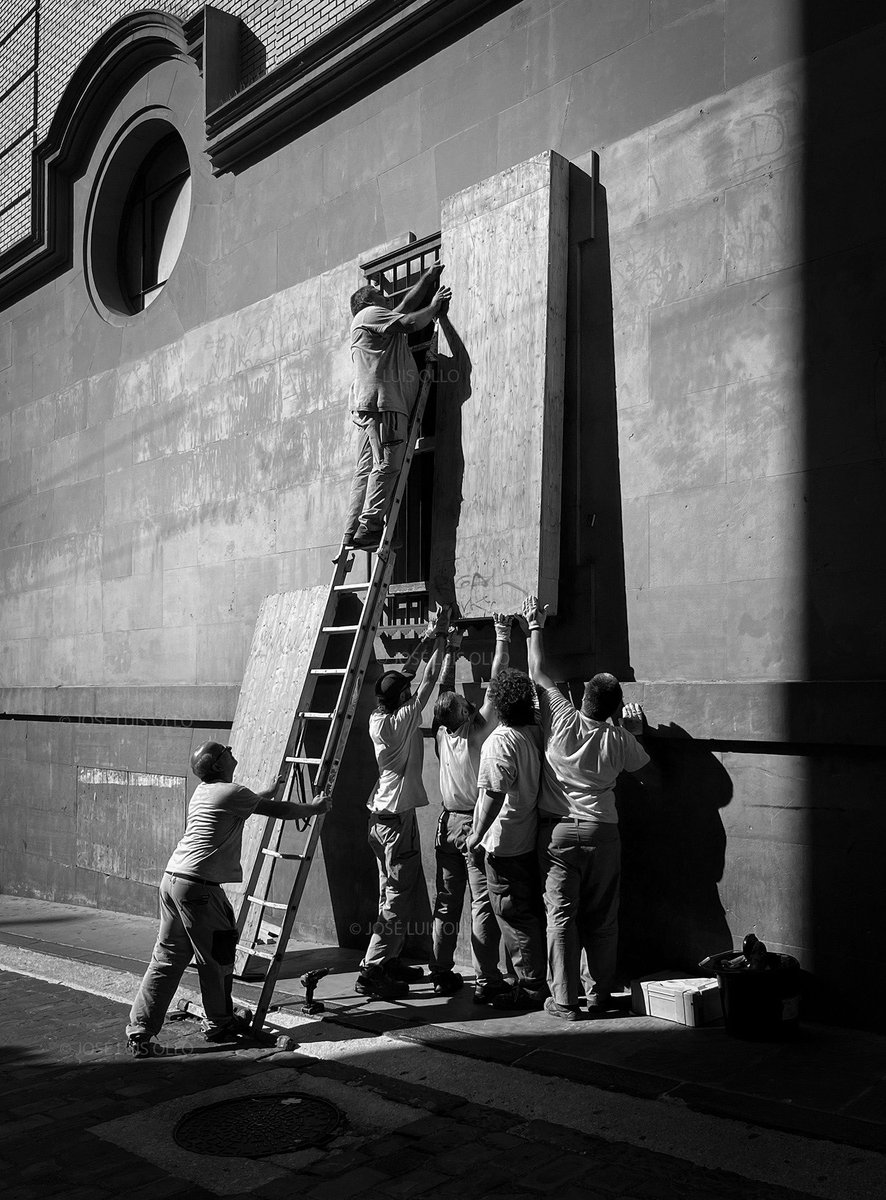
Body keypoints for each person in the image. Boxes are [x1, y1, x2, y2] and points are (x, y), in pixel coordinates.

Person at [126, 742, 330, 1056]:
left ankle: (140, 1031)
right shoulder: (232, 792)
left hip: (173, 881)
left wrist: (268, 790)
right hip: (199, 889)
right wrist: (314, 809)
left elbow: (247, 804)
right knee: (217, 959)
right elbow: (279, 812)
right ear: (220, 765)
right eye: (226, 750)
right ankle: (220, 1022)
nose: (232, 751)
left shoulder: (207, 792)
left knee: (166, 960)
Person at [522, 595, 657, 1021]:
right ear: (615, 709)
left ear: (582, 696)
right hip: (604, 831)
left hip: (559, 832)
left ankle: (564, 999)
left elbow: (537, 671)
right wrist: (634, 732)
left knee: (560, 915)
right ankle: (600, 994)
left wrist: (535, 624)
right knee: (603, 916)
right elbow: (647, 775)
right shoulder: (619, 740)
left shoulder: (560, 719)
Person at [357, 607, 450, 1000]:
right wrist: (444, 640)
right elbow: (426, 679)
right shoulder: (402, 722)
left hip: (380, 818)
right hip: (396, 823)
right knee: (396, 900)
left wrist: (428, 636)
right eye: (407, 696)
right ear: (403, 702)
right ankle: (373, 968)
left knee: (387, 893)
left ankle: (389, 959)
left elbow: (409, 676)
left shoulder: (380, 716)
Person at [427, 615, 513, 1002]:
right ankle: (486, 980)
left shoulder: (441, 733)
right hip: (470, 824)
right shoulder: (476, 731)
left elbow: (444, 688)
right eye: (466, 703)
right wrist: (500, 633)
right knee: (481, 902)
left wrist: (453, 648)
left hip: (445, 822)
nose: (470, 699)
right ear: (464, 715)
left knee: (446, 905)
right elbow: (496, 683)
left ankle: (441, 972)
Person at [343, 264, 452, 551]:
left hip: (369, 407)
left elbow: (404, 306)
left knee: (366, 468)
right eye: (380, 296)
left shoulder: (371, 324)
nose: (386, 299)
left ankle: (352, 528)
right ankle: (370, 527)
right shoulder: (369, 314)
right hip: (385, 404)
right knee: (388, 464)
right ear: (368, 302)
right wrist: (434, 307)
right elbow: (410, 322)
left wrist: (427, 280)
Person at [466, 668, 548, 1011]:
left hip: (503, 843)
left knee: (514, 915)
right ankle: (517, 979)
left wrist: (475, 835)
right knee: (517, 912)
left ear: (498, 704)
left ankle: (530, 986)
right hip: (524, 837)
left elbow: (493, 794)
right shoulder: (533, 731)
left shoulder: (499, 742)